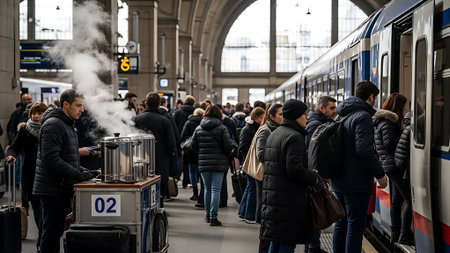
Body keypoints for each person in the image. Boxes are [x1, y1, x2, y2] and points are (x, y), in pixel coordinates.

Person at [33, 89, 97, 253]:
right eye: (78, 105)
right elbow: (52, 160)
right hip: (52, 190)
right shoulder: (54, 125)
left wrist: (89, 172)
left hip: (61, 187)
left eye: (82, 106)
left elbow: (68, 158)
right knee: (51, 235)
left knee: (56, 232)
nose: (82, 110)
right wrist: (78, 174)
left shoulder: (68, 124)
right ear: (66, 104)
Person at [331, 81, 388, 253]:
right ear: (371, 97)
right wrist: (380, 174)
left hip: (338, 178)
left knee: (341, 224)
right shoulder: (362, 116)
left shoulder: (340, 114)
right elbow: (364, 150)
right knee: (355, 226)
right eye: (375, 98)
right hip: (355, 181)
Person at [260, 99, 318, 253]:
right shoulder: (295, 137)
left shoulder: (276, 133)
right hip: (288, 199)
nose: (307, 117)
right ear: (296, 116)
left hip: (275, 196)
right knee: (287, 244)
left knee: (276, 241)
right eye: (304, 114)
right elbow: (294, 170)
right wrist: (313, 176)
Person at [6, 102, 48, 252]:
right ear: (29, 115)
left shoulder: (51, 129)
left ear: (46, 114)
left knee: (48, 214)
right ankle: (42, 243)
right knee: (38, 212)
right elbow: (13, 147)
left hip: (50, 177)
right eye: (33, 113)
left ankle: (44, 241)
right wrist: (11, 156)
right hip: (31, 178)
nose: (36, 116)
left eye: (40, 113)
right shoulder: (25, 130)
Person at [373, 92, 411, 244]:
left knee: (396, 201)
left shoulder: (383, 121)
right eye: (403, 106)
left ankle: (396, 234)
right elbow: (390, 144)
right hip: (394, 166)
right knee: (410, 201)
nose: (404, 109)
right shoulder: (388, 123)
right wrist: (405, 132)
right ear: (398, 106)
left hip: (389, 165)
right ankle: (404, 235)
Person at [190, 105, 237, 226]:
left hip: (204, 163)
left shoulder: (198, 128)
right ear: (219, 114)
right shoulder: (222, 128)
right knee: (216, 189)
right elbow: (228, 146)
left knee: (206, 188)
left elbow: (192, 146)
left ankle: (207, 215)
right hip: (219, 163)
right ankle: (213, 217)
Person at [304, 96, 337, 253]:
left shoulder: (318, 122)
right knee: (315, 211)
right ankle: (313, 247)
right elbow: (312, 151)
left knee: (315, 211)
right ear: (322, 108)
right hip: (316, 174)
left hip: (317, 173)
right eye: (331, 108)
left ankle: (312, 246)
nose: (334, 111)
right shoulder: (315, 124)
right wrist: (315, 174)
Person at [135, 92, 176, 207]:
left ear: (146, 103)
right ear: (159, 104)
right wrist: (167, 155)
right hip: (160, 162)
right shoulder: (165, 121)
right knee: (159, 193)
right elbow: (171, 144)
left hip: (139, 162)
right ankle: (158, 212)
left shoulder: (137, 119)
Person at [255, 103, 282, 253]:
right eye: (280, 115)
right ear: (271, 116)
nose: (283, 118)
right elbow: (261, 154)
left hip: (274, 178)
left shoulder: (278, 129)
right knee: (268, 223)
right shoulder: (265, 130)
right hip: (267, 177)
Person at [238, 107, 265, 224]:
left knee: (250, 187)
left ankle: (243, 212)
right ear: (257, 118)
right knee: (252, 188)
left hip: (250, 162)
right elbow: (243, 147)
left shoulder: (251, 128)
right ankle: (249, 215)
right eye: (262, 117)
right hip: (250, 163)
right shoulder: (248, 129)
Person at [394, 111, 413, 245]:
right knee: (410, 202)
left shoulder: (406, 130)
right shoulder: (410, 131)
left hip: (403, 172)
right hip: (405, 173)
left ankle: (403, 233)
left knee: (403, 201)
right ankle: (404, 234)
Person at [180, 108, 205, 201]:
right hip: (202, 149)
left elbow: (183, 135)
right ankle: (203, 191)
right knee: (202, 172)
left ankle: (195, 191)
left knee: (192, 171)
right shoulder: (204, 122)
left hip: (190, 150)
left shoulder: (189, 122)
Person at [160, 96, 182, 191]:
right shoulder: (168, 116)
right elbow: (174, 134)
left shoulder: (141, 117)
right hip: (166, 151)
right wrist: (175, 148)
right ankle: (166, 193)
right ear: (164, 103)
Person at [173, 95, 196, 188]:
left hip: (180, 139)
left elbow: (174, 126)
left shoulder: (178, 112)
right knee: (191, 163)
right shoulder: (195, 112)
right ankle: (190, 181)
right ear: (193, 103)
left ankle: (182, 180)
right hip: (193, 140)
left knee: (181, 160)